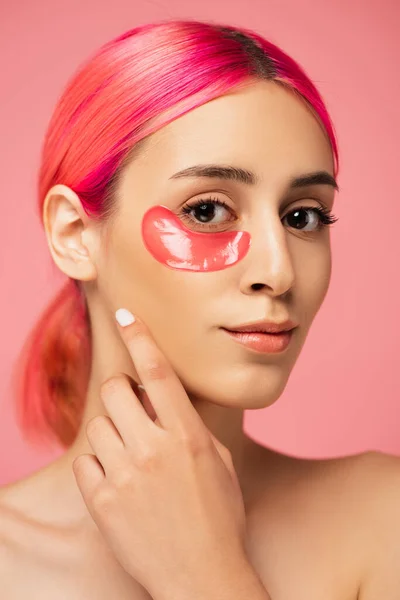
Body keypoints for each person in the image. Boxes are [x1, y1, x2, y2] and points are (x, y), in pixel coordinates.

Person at [1, 17, 399, 599]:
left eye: (302, 216)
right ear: (74, 234)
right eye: (208, 211)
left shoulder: (384, 522)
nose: (278, 270)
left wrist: (205, 575)